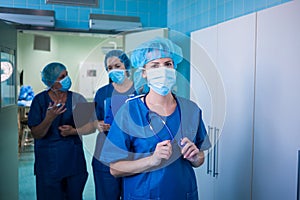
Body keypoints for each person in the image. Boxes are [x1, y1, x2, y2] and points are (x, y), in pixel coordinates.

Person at [100, 37, 211, 200]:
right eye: (155, 65)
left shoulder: (191, 110)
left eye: (168, 64)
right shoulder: (129, 112)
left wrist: (196, 158)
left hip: (183, 193)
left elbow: (200, 157)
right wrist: (152, 160)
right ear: (144, 73)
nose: (163, 70)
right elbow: (115, 168)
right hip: (144, 195)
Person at [27, 62, 95, 200]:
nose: (67, 79)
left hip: (73, 163)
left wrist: (73, 131)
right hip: (49, 165)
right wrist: (49, 118)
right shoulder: (39, 101)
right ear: (51, 82)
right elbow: (36, 133)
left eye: (66, 74)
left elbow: (91, 127)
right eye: (62, 77)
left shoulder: (78, 98)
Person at [92, 50, 136, 200]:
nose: (114, 70)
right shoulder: (102, 93)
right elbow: (92, 121)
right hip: (105, 152)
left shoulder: (140, 91)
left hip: (134, 153)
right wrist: (97, 124)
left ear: (127, 67)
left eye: (117, 65)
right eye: (110, 68)